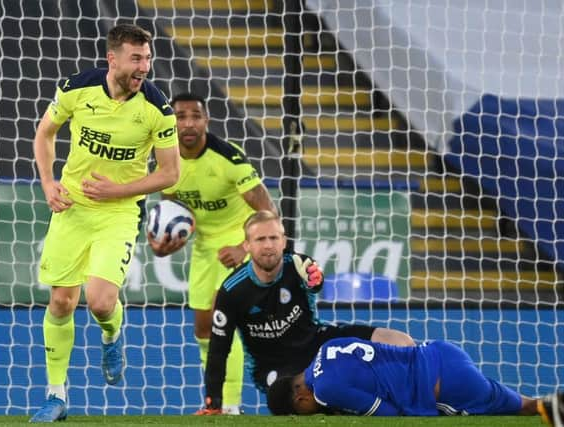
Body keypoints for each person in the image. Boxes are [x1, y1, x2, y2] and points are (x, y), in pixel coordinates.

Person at [30, 24, 180, 422]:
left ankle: (112, 334)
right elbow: (45, 133)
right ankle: (56, 396)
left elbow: (170, 174)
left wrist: (118, 191)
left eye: (148, 58)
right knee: (61, 301)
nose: (144, 67)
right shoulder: (77, 88)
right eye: (136, 58)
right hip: (73, 206)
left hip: (118, 211)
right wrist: (48, 183)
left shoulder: (157, 109)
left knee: (99, 302)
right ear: (112, 59)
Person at [198, 210, 415, 414]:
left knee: (399, 342)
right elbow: (218, 350)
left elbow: (314, 278)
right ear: (247, 245)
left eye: (274, 238)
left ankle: (419, 397)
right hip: (276, 369)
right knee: (307, 393)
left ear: (283, 241)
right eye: (260, 239)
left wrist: (316, 279)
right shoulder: (232, 291)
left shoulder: (297, 265)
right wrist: (213, 403)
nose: (268, 246)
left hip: (318, 343)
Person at [147, 93, 277, 415]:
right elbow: (176, 211)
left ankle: (228, 406)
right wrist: (166, 243)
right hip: (206, 248)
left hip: (238, 241)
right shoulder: (168, 161)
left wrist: (243, 247)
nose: (188, 123)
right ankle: (213, 402)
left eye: (195, 116)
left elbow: (268, 213)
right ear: (172, 122)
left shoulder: (228, 158)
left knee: (223, 322)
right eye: (180, 116)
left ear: (206, 120)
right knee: (204, 330)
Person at [266, 336, 564, 425]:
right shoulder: (326, 348)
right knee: (529, 406)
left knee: (525, 409)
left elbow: (389, 415)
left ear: (300, 399)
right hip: (441, 352)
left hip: (443, 386)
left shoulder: (326, 391)